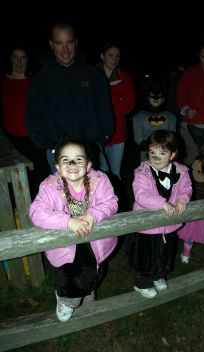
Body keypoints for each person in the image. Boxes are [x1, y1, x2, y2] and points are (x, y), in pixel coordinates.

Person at [29, 137, 118, 322]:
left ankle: (87, 293)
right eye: (65, 160)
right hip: (65, 244)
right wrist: (67, 221)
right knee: (67, 275)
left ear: (88, 165)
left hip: (94, 241)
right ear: (58, 167)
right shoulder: (50, 186)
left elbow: (110, 202)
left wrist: (93, 215)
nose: (72, 164)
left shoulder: (99, 180)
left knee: (94, 270)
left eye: (78, 159)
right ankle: (66, 299)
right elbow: (36, 212)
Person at [25, 22, 114, 173]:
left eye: (69, 43)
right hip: (58, 154)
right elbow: (33, 116)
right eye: (59, 44)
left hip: (91, 149)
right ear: (51, 44)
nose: (65, 50)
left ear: (76, 43)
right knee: (64, 196)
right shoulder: (41, 79)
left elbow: (105, 109)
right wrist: (48, 143)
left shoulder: (93, 74)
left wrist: (101, 138)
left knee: (100, 195)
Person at [127, 130, 192, 298]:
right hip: (146, 226)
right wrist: (162, 203)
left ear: (172, 154)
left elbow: (186, 188)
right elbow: (141, 195)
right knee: (145, 257)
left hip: (169, 225)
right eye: (152, 153)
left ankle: (158, 275)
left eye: (162, 153)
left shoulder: (181, 172)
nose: (156, 157)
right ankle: (141, 283)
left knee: (164, 253)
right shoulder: (142, 172)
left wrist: (183, 199)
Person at [1, 44, 49, 197]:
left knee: (40, 177)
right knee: (18, 181)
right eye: (15, 57)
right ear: (10, 59)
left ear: (28, 60)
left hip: (33, 137)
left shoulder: (35, 81)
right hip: (11, 139)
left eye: (23, 58)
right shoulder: (2, 81)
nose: (19, 62)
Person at [97, 40, 136, 179]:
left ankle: (115, 200)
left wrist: (106, 101)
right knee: (102, 171)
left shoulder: (125, 78)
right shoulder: (92, 76)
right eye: (110, 55)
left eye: (117, 56)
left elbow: (129, 104)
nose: (114, 59)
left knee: (115, 172)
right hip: (98, 133)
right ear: (102, 56)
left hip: (119, 133)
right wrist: (117, 99)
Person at [133, 78, 177, 161]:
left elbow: (172, 137)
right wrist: (148, 147)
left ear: (163, 99)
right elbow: (138, 137)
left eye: (159, 97)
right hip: (148, 154)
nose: (156, 99)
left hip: (165, 153)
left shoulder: (170, 116)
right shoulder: (138, 117)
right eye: (152, 96)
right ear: (147, 97)